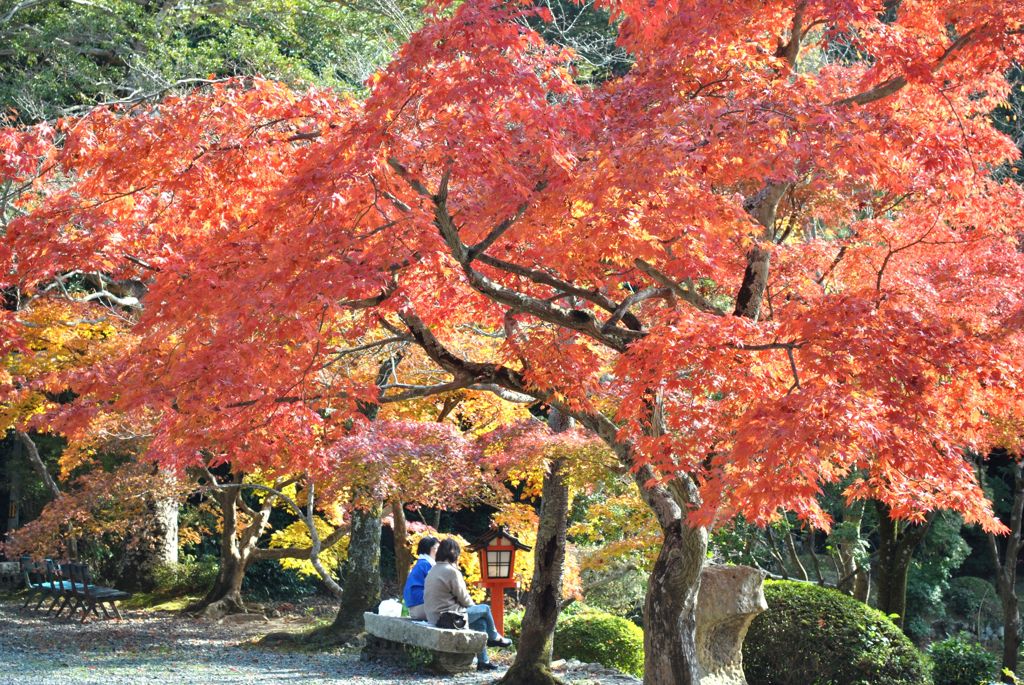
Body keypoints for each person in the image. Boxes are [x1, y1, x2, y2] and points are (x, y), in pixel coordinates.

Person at [424, 538, 512, 672]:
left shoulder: (433, 570)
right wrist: (474, 607)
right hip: (449, 618)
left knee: (481, 623)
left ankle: (483, 662)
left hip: (434, 617)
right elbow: (465, 600)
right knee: (485, 609)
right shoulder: (451, 571)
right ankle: (494, 637)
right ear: (454, 554)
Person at [403, 536, 439, 621]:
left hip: (415, 608)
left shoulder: (422, 564)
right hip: (422, 608)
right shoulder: (427, 565)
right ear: (432, 549)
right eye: (437, 548)